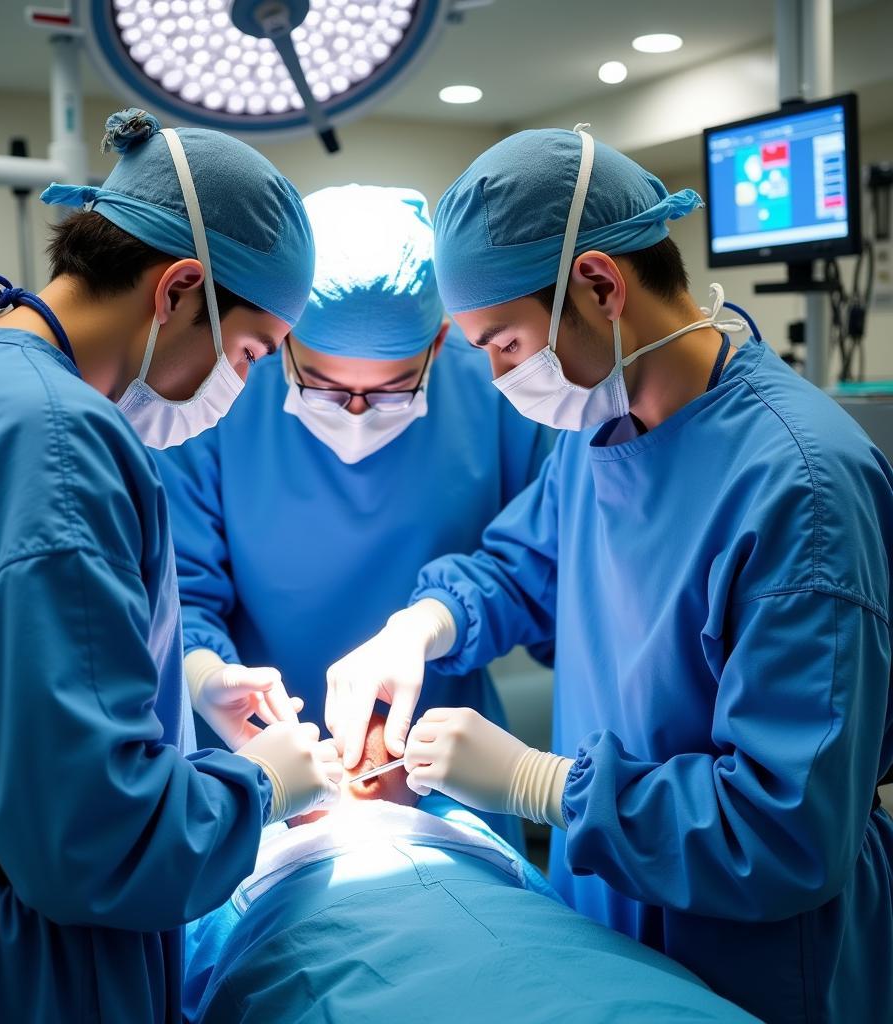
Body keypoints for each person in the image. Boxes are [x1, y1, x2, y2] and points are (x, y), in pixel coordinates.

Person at [325, 126, 893, 1023]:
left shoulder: (801, 485)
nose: (500, 376)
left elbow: (789, 828)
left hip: (757, 955)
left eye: (505, 345)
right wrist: (422, 626)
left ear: (598, 285)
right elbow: (521, 568)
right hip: (604, 915)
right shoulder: (597, 433)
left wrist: (537, 784)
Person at [0, 108, 341, 1024]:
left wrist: (181, 689)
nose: (238, 386)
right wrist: (266, 784)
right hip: (17, 972)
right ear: (177, 290)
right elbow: (93, 841)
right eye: (247, 351)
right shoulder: (54, 437)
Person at [154, 184, 553, 851]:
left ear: (441, 339)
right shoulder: (220, 393)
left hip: (436, 765)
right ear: (281, 340)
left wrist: (429, 628)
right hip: (252, 760)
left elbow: (537, 570)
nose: (357, 413)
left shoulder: (502, 387)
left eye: (393, 388)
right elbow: (178, 590)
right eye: (326, 386)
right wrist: (204, 677)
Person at [181, 715, 759, 1024]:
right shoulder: (239, 846)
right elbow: (194, 947)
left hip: (519, 927)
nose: (348, 753)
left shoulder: (462, 832)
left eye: (374, 753)